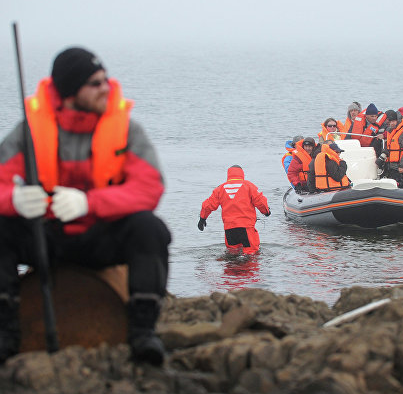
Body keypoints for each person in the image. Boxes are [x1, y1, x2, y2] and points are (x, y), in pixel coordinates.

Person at [0, 47, 171, 365]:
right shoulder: (30, 131)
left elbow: (150, 188)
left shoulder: (125, 129)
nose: (106, 87)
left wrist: (89, 203)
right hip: (45, 238)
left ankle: (143, 334)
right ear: (68, 92)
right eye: (95, 83)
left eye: (105, 79)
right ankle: (5, 334)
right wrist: (14, 199)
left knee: (150, 228)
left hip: (99, 239)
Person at [198, 165, 270, 255]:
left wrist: (202, 219)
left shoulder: (220, 189)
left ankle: (232, 269)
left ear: (228, 175)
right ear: (242, 174)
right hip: (246, 228)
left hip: (229, 229)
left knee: (232, 254)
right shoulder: (248, 186)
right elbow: (260, 201)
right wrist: (266, 211)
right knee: (251, 254)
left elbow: (207, 205)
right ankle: (249, 268)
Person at [378, 111, 403, 188]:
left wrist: (402, 166)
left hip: (400, 169)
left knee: (400, 187)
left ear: (398, 121)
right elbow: (388, 148)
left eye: (394, 121)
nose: (392, 123)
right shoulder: (391, 132)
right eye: (390, 121)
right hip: (391, 167)